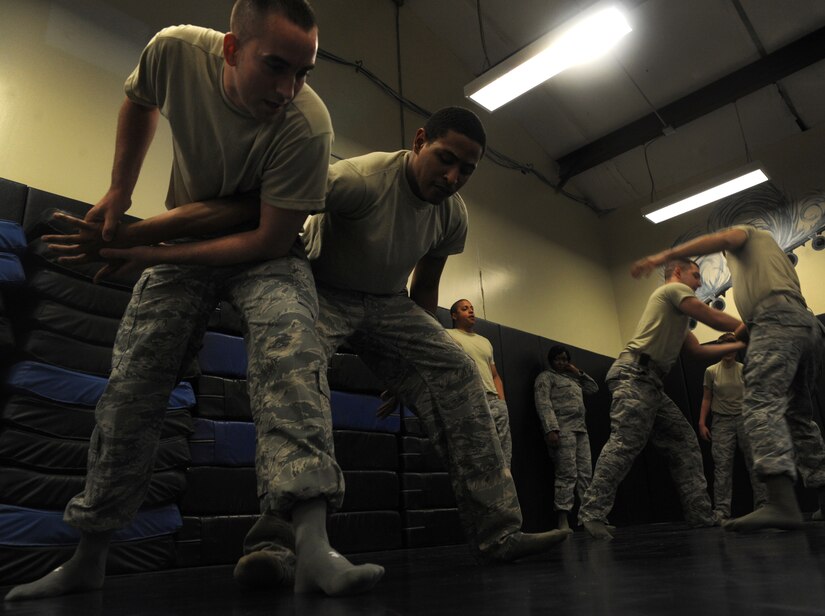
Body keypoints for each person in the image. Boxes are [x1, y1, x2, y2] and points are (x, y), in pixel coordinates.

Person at [38, 108, 571, 581]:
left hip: (388, 306)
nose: (453, 177)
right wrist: (141, 238)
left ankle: (498, 533)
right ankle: (274, 542)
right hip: (323, 289)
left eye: (466, 170)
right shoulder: (359, 179)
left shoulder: (452, 214)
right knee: (295, 374)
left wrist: (412, 361)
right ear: (420, 140)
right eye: (446, 159)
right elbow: (266, 210)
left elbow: (424, 290)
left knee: (456, 369)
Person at [6, 0, 384, 601]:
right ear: (232, 49)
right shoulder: (175, 50)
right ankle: (89, 556)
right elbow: (139, 100)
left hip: (269, 252)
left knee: (293, 351)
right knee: (133, 379)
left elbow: (266, 236)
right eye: (276, 66)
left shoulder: (308, 124)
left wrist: (149, 252)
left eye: (304, 72)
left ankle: (312, 546)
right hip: (185, 233)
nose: (289, 89)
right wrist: (118, 191)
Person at [632, 225, 825, 532]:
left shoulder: (747, 235)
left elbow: (725, 240)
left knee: (760, 404)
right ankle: (822, 495)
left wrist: (664, 255)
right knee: (799, 417)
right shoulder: (766, 263)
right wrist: (735, 339)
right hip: (806, 326)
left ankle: (781, 504)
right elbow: (752, 321)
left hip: (776, 323)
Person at [579, 257, 747, 539]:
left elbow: (695, 351)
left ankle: (700, 514)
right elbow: (714, 317)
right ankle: (592, 514)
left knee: (683, 440)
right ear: (678, 272)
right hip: (634, 375)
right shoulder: (671, 291)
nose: (700, 282)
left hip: (651, 383)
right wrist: (751, 324)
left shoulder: (677, 316)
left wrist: (740, 342)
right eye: (696, 275)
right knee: (624, 444)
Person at [698, 332, 767, 522]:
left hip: (745, 419)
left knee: (755, 463)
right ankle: (721, 511)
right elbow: (706, 398)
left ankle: (762, 507)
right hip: (721, 422)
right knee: (722, 467)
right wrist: (702, 422)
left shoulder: (744, 369)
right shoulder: (711, 371)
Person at [534, 345, 599, 531]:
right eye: (558, 359)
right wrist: (550, 429)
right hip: (562, 431)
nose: (561, 363)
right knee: (566, 474)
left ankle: (589, 518)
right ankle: (562, 520)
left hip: (581, 431)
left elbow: (593, 388)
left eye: (564, 359)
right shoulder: (545, 377)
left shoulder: (573, 379)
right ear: (551, 360)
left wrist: (577, 371)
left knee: (586, 475)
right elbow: (543, 403)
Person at [446, 298, 512, 466]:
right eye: (464, 308)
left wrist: (501, 401)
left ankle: (506, 489)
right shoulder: (447, 335)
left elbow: (495, 375)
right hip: (472, 401)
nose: (471, 311)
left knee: (504, 456)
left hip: (495, 402)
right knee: (479, 455)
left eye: (472, 308)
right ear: (454, 315)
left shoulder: (485, 342)